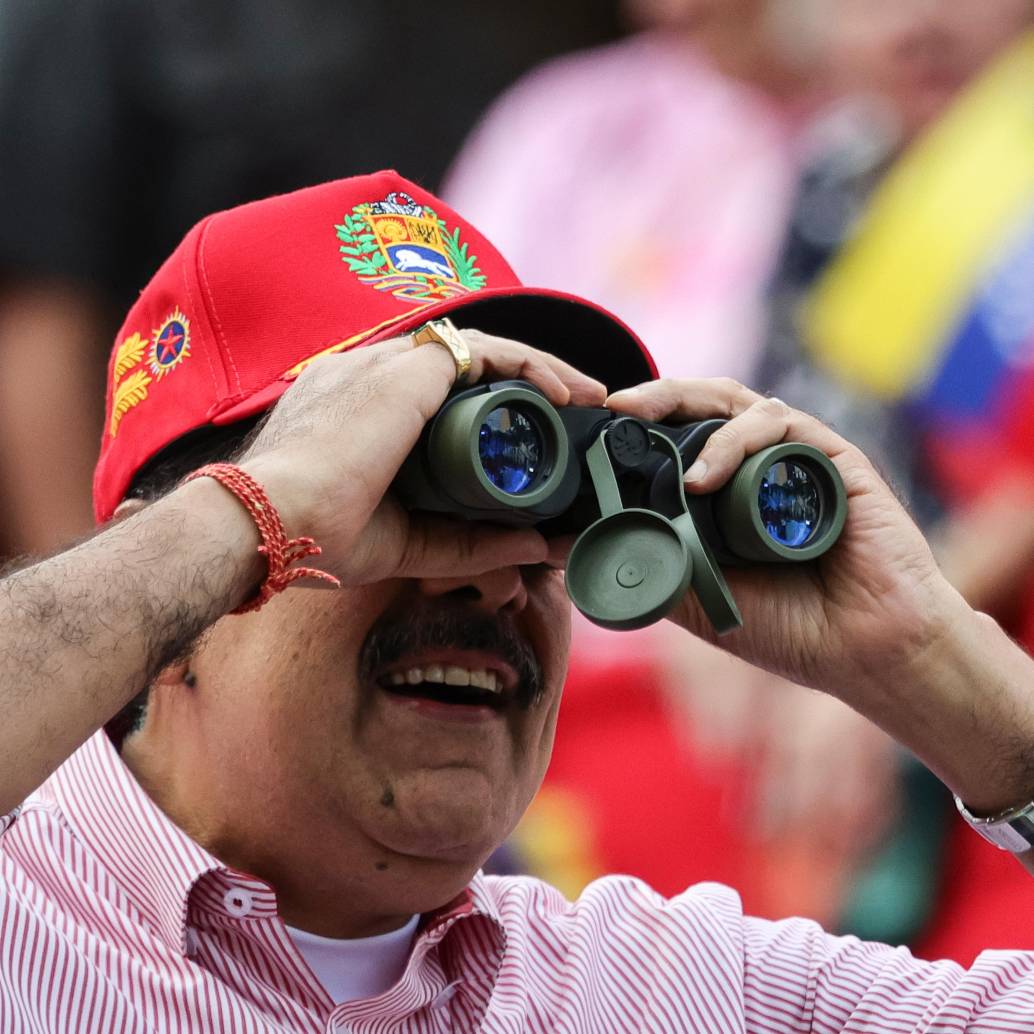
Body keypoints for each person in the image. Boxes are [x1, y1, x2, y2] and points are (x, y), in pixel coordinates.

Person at [3, 172, 1034, 1032]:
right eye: (392, 492)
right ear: (183, 606)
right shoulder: (26, 925)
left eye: (547, 508)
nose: (490, 574)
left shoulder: (670, 990)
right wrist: (246, 520)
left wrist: (930, 661)